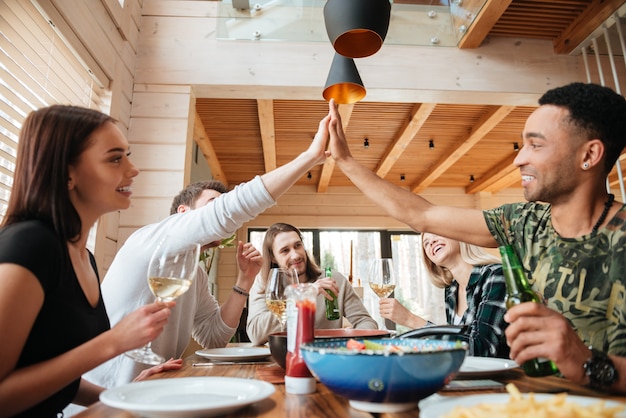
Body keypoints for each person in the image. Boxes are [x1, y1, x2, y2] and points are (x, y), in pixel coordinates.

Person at [325, 82, 626, 392]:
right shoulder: (522, 222)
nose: (518, 159)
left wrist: (584, 360)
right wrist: (345, 161)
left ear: (589, 154)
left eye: (536, 145)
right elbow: (422, 215)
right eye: (522, 145)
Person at [0, 105, 176, 417]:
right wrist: (114, 342)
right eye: (115, 158)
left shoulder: (84, 257)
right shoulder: (31, 245)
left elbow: (52, 375)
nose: (133, 169)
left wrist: (121, 395)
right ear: (68, 174)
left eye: (128, 154)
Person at [77, 180, 263, 396]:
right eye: (214, 203)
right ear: (182, 213)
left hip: (151, 394)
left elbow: (213, 337)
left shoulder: (197, 274)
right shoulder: (150, 238)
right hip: (101, 398)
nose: (222, 209)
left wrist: (245, 281)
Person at [379, 233, 509, 358]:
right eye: (426, 243)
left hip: (506, 378)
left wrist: (410, 320)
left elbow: (481, 348)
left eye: (436, 233)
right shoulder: (451, 291)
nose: (431, 242)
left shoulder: (495, 275)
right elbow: (458, 342)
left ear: (459, 236)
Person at [246, 223, 378, 345]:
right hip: (283, 359)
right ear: (273, 257)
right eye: (285, 250)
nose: (295, 255)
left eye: (298, 245)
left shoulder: (333, 280)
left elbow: (367, 323)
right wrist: (306, 295)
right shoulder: (263, 285)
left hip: (326, 358)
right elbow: (256, 334)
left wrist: (350, 343)